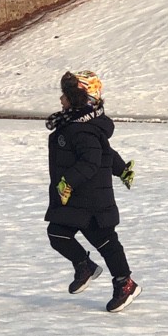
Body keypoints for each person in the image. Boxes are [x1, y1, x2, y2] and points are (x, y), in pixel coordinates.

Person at [45, 70, 141, 312]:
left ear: (80, 99)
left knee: (105, 240)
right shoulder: (76, 125)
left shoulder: (83, 129)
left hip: (91, 198)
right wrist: (122, 170)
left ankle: (125, 283)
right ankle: (85, 266)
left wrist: (67, 182)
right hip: (77, 198)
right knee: (58, 234)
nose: (61, 100)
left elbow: (92, 160)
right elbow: (107, 153)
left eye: (66, 95)